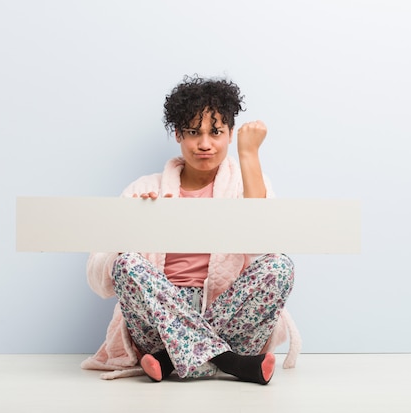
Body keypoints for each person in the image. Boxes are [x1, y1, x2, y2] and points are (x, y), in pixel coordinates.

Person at [81, 75, 300, 384]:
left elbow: (262, 248)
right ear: (178, 135)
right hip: (159, 322)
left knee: (280, 266)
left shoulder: (245, 186)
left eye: (216, 132)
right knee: (126, 263)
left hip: (231, 319)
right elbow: (99, 280)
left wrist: (249, 155)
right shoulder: (144, 189)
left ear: (230, 134)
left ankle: (172, 361)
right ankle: (228, 362)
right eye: (193, 133)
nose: (205, 144)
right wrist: (137, 225)